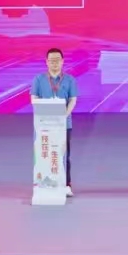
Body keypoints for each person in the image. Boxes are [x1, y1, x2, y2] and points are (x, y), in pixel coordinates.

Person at [30, 48, 78, 197]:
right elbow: (34, 98)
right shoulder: (38, 79)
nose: (54, 63)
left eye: (57, 60)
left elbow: (73, 100)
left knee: (64, 155)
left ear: (62, 62)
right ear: (46, 62)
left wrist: (64, 115)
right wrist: (46, 112)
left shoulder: (70, 80)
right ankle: (42, 182)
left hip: (64, 124)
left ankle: (66, 184)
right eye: (51, 60)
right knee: (43, 153)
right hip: (44, 125)